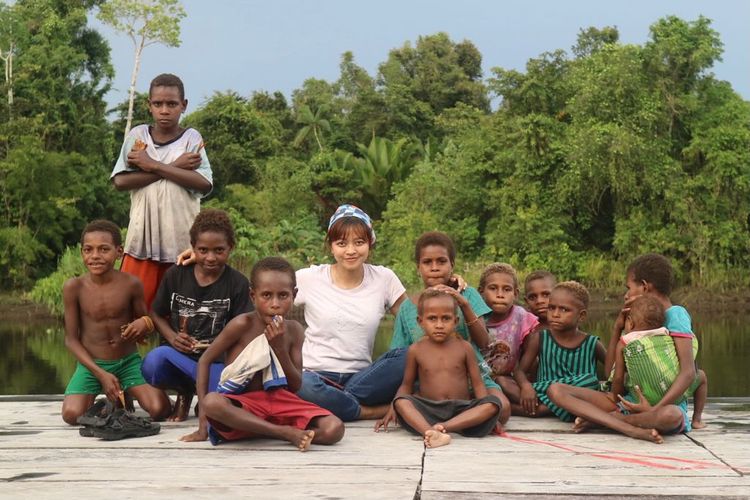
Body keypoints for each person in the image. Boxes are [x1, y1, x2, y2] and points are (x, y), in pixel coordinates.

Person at [180, 257, 345, 451]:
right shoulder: (242, 325)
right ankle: (284, 433)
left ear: (294, 295)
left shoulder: (294, 330)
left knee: (335, 428)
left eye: (283, 296)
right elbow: (205, 361)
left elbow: (295, 385)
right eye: (266, 295)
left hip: (280, 401)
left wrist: (278, 348)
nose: (274, 304)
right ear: (253, 296)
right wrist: (202, 425)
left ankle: (261, 429)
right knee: (212, 402)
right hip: (245, 404)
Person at [546, 254, 705, 443]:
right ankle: (628, 427)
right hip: (627, 399)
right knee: (556, 390)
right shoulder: (634, 319)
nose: (626, 295)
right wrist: (617, 328)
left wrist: (653, 409)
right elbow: (609, 372)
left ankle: (610, 421)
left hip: (663, 404)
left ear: (645, 287)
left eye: (628, 288)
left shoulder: (675, 316)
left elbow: (688, 373)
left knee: (671, 416)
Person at [377, 232, 510, 430]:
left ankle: (444, 426)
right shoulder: (407, 308)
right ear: (418, 268)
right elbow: (399, 357)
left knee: (503, 409)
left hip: (474, 380)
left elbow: (484, 344)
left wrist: (464, 304)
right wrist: (396, 401)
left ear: (452, 265)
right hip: (429, 386)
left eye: (441, 261)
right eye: (427, 262)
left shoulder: (468, 294)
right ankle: (455, 423)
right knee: (404, 404)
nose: (435, 267)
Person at [293, 204, 407, 422]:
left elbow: (414, 322)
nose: (351, 251)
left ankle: (336, 404)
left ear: (370, 243)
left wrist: (450, 285)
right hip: (316, 376)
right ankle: (367, 411)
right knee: (301, 385)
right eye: (341, 243)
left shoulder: (384, 278)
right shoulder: (309, 278)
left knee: (408, 356)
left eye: (359, 242)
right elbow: (268, 297)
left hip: (363, 379)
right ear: (331, 246)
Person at [111, 73, 212, 309]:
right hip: (140, 242)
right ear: (149, 106)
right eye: (158, 104)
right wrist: (174, 166)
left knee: (181, 315)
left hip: (182, 245)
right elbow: (120, 182)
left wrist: (153, 164)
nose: (164, 110)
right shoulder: (138, 137)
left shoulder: (191, 138)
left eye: (171, 104)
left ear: (183, 106)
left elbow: (204, 183)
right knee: (132, 313)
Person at [143, 209, 251, 421]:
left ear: (231, 248)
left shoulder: (237, 283)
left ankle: (206, 399)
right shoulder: (176, 275)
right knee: (152, 364)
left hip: (217, 362)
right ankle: (185, 391)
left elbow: (244, 330)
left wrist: (219, 349)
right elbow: (155, 313)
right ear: (192, 248)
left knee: (216, 401)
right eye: (203, 250)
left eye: (219, 250)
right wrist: (173, 338)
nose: (210, 257)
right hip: (179, 355)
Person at [61, 220, 170, 425]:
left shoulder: (131, 284)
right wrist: (100, 374)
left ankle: (124, 391)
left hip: (128, 362)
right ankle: (109, 398)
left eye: (104, 249)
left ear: (119, 252)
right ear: (82, 252)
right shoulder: (74, 287)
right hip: (92, 365)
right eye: (88, 250)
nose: (95, 256)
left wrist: (143, 324)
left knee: (159, 409)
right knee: (72, 415)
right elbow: (71, 340)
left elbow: (147, 324)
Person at [389, 289, 502, 448]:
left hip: (462, 410)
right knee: (401, 402)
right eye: (432, 319)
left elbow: (477, 384)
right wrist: (393, 406)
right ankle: (429, 431)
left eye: (446, 319)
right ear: (420, 321)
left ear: (455, 321)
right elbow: (406, 385)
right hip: (429, 408)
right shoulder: (416, 349)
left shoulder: (465, 348)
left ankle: (442, 428)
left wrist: (485, 416)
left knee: (493, 403)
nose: (439, 325)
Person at [503, 281, 606, 421]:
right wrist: (526, 386)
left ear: (581, 316)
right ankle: (557, 409)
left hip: (578, 398)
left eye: (564, 310)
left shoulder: (593, 343)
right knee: (502, 381)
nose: (555, 314)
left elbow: (612, 373)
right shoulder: (540, 338)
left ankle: (541, 410)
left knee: (592, 380)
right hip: (542, 395)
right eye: (551, 308)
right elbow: (519, 371)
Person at [612, 295, 707, 427]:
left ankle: (618, 419)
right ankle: (697, 420)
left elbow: (617, 378)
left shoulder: (625, 342)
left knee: (611, 409)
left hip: (637, 401)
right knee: (701, 377)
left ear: (630, 322)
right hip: (669, 403)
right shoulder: (667, 336)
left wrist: (617, 401)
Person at [477, 263, 539, 392]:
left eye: (507, 289)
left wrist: (528, 385)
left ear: (515, 294)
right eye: (493, 288)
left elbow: (532, 357)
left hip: (510, 379)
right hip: (480, 381)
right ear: (481, 291)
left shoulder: (521, 317)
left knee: (503, 382)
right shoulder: (475, 317)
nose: (500, 294)